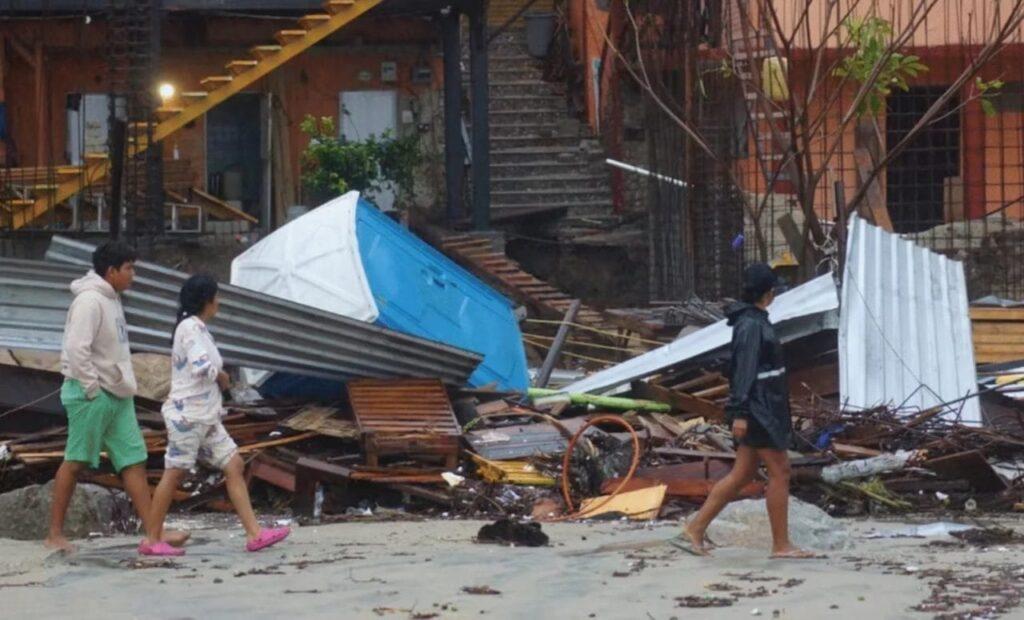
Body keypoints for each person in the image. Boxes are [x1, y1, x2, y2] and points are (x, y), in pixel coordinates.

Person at [45, 241, 188, 555]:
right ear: (111, 272)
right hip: (92, 395)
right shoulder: (89, 301)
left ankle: (154, 532)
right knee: (76, 460)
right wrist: (93, 390)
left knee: (133, 461)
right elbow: (76, 349)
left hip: (119, 394)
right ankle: (54, 533)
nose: (133, 275)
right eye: (128, 269)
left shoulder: (113, 300)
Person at [145, 274, 290, 556]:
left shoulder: (197, 328)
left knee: (233, 464)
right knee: (174, 473)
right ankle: (152, 539)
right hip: (188, 415)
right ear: (206, 300)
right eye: (216, 296)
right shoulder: (189, 329)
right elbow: (202, 365)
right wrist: (222, 377)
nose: (219, 301)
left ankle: (254, 533)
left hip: (207, 415)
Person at [681, 263, 817, 559]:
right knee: (780, 471)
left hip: (764, 406)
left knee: (742, 474)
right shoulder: (752, 325)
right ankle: (781, 545)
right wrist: (740, 412)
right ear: (768, 294)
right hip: (759, 408)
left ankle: (695, 528)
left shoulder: (752, 320)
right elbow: (743, 371)